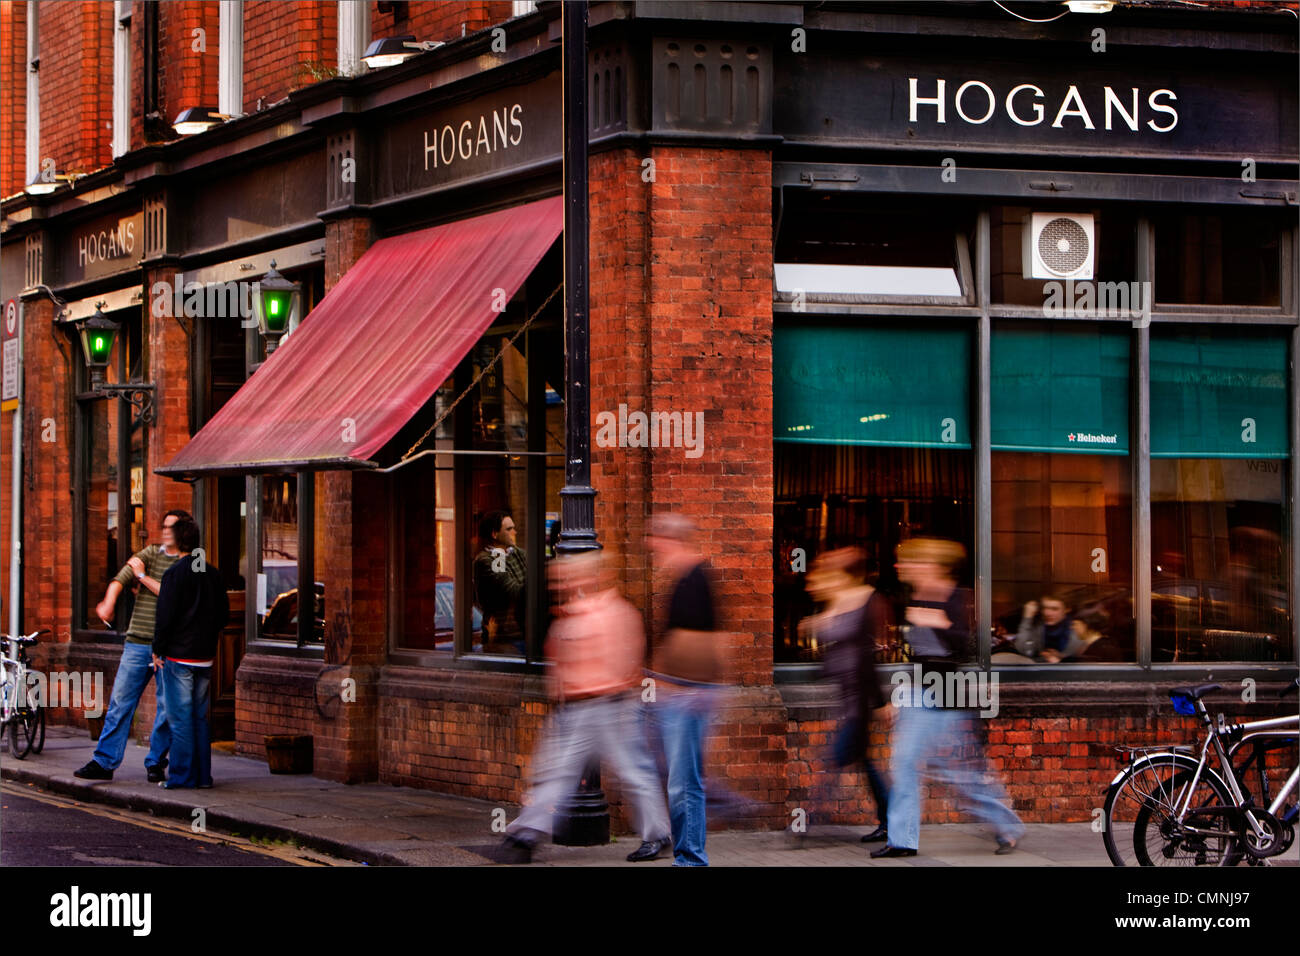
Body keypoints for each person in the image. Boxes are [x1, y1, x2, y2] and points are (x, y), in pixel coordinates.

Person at [496, 552, 671, 864]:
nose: (559, 582)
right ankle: (526, 834)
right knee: (557, 770)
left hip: (609, 706)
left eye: (565, 576)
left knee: (631, 771)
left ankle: (657, 834)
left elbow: (625, 662)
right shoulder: (573, 613)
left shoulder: (612, 613)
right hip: (578, 708)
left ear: (589, 577)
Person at [872, 537, 1025, 858]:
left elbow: (961, 645)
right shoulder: (913, 596)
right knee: (903, 763)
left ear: (931, 564)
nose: (906, 567)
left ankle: (1007, 826)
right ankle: (902, 840)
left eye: (912, 562)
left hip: (949, 694)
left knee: (960, 774)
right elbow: (920, 655)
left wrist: (934, 619)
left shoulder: (958, 596)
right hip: (920, 692)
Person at [73, 509, 192, 782]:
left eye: (171, 527)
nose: (165, 532)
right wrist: (108, 601)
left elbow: (175, 595)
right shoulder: (150, 553)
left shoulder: (192, 561)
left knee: (167, 707)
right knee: (120, 703)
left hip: (170, 646)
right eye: (163, 526)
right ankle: (104, 762)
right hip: (138, 642)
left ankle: (155, 762)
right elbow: (120, 579)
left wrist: (142, 578)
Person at [644, 512, 723, 867]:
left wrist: (668, 683)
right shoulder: (682, 579)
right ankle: (688, 852)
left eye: (655, 537)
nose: (650, 545)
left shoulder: (695, 579)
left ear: (671, 539)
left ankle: (691, 859)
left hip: (688, 696)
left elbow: (706, 643)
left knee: (684, 784)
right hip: (681, 695)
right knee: (676, 779)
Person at [801, 547, 893, 843]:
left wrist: (880, 703)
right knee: (863, 761)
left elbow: (867, 660)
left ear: (848, 572)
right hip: (847, 698)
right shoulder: (840, 599)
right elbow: (831, 651)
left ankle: (806, 823)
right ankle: (891, 819)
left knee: (834, 759)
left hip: (860, 701)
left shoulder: (868, 601)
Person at [152, 516, 229, 790]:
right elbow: (224, 615)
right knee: (198, 717)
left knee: (181, 719)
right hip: (205, 656)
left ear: (179, 541)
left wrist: (157, 650)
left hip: (178, 657)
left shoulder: (174, 575)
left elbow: (165, 617)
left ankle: (182, 777)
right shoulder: (213, 573)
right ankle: (202, 777)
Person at [473, 510, 527, 654]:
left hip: (524, 633)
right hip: (505, 638)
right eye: (509, 529)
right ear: (494, 534)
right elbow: (512, 591)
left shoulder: (517, 553)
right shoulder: (490, 559)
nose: (514, 532)